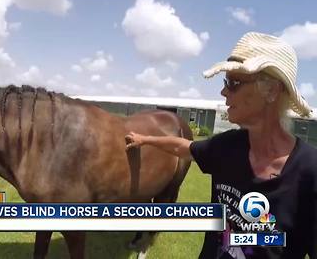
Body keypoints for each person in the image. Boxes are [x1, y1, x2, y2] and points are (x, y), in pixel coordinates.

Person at [125, 32, 317, 259]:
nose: (224, 91)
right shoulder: (229, 146)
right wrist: (145, 140)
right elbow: (183, 147)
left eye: (233, 83)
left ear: (272, 90)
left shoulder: (310, 171)